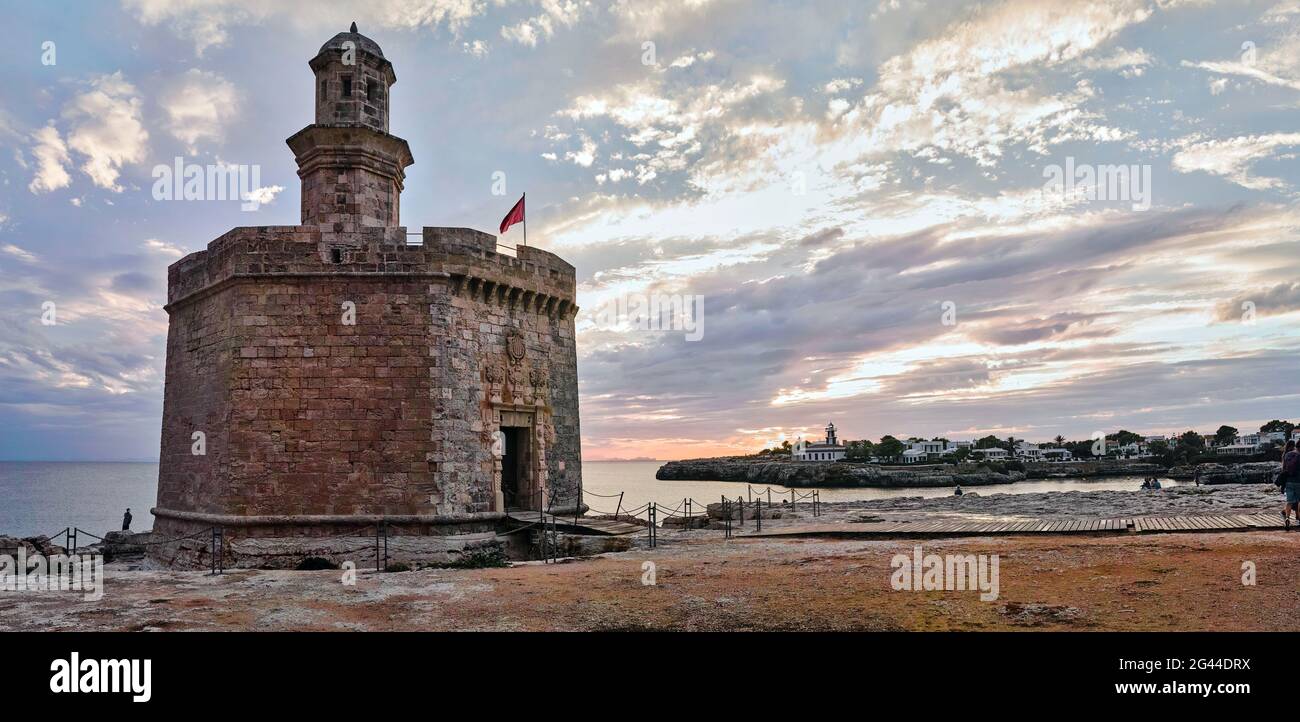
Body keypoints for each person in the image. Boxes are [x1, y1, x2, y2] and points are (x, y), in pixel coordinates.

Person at [1280, 440, 1299, 529]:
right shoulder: (1299, 455)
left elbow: (1284, 468)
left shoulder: (1287, 455)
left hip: (1288, 481)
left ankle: (1287, 518)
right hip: (1298, 481)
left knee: (1289, 501)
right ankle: (1298, 517)